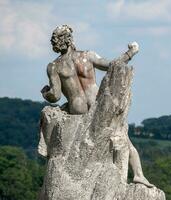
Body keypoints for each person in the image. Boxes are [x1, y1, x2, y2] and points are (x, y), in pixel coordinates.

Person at [40, 25, 153, 187]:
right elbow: (113, 65)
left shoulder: (54, 66)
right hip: (99, 106)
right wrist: (130, 53)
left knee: (81, 148)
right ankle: (138, 174)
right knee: (122, 138)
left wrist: (45, 92)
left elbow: (55, 95)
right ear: (70, 39)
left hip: (76, 110)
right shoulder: (87, 56)